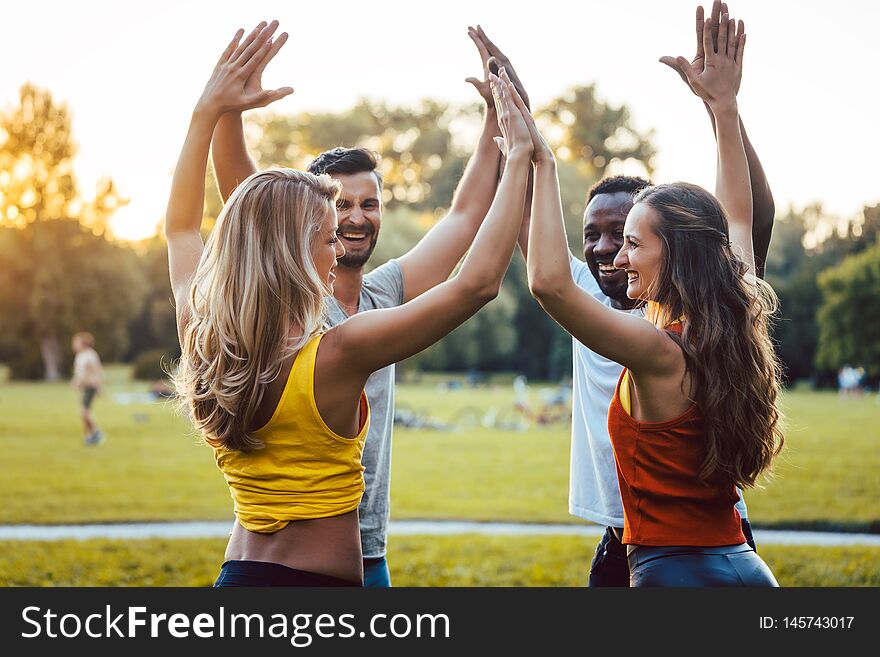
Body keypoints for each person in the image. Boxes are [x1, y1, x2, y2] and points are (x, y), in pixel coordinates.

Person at [165, 21, 534, 586]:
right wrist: (523, 157)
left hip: (239, 575)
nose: (340, 240)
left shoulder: (208, 331)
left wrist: (209, 112)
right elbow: (477, 283)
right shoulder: (337, 351)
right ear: (297, 248)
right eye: (327, 232)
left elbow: (181, 231)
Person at [474, 2, 774, 586]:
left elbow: (547, 282)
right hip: (743, 564)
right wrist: (725, 106)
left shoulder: (658, 351)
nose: (618, 257)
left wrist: (542, 158)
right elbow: (735, 208)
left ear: (676, 253)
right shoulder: (732, 310)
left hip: (675, 574)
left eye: (634, 242)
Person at [71, 332, 104, 446]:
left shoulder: (89, 355)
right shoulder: (80, 355)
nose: (74, 345)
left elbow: (94, 370)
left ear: (83, 343)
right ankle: (90, 435)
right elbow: (79, 372)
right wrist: (76, 381)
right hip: (85, 386)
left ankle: (96, 433)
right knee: (84, 411)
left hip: (91, 386)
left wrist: (99, 387)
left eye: (76, 342)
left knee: (84, 411)